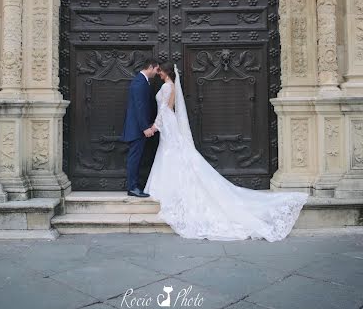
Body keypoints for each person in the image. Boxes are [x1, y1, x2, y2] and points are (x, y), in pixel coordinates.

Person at [144, 61, 309, 242]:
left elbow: (165, 110)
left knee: (171, 154)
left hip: (167, 123)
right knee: (171, 154)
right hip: (169, 124)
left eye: (160, 71)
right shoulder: (171, 85)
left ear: (166, 72)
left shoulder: (168, 87)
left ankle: (168, 189)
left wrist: (155, 126)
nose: (158, 73)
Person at [120, 58, 160, 198]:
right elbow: (139, 107)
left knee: (137, 158)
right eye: (156, 69)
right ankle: (132, 188)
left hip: (139, 128)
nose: (157, 72)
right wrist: (145, 127)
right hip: (137, 129)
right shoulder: (139, 83)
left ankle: (136, 185)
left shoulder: (142, 81)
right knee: (134, 158)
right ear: (150, 67)